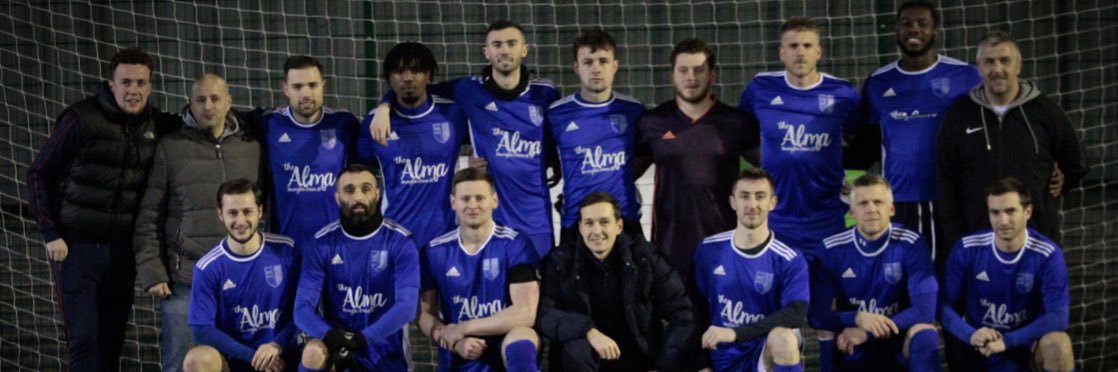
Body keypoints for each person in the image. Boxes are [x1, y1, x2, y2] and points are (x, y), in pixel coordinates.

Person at [26, 47, 176, 371]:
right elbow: (38, 173)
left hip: (121, 253)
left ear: (150, 87)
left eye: (140, 82)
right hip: (75, 250)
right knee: (84, 340)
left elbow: (200, 121)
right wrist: (50, 231)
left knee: (112, 342)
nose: (132, 90)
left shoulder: (157, 125)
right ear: (111, 85)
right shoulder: (80, 118)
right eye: (125, 82)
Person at [370, 20, 561, 257]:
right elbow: (417, 86)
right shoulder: (468, 89)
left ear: (524, 49)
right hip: (490, 220)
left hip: (537, 219)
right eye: (497, 44)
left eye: (511, 43)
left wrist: (554, 160)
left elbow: (557, 135)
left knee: (539, 290)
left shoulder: (546, 92)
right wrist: (384, 104)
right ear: (486, 52)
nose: (504, 50)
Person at [132, 73, 263, 371]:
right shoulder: (171, 147)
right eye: (200, 100)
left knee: (247, 362)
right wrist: (152, 270)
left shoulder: (251, 148)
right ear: (189, 104)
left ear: (228, 102)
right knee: (182, 363)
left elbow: (263, 208)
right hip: (186, 281)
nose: (208, 106)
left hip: (242, 280)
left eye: (215, 99)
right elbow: (149, 214)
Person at [936, 30, 1086, 255]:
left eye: (1005, 60)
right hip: (977, 244)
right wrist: (956, 238)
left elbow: (1076, 163)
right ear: (978, 66)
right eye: (989, 62)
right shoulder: (959, 115)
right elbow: (946, 179)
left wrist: (1058, 182)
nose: (997, 70)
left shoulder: (1046, 112)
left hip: (1036, 242)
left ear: (1018, 65)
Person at [856, 0, 982, 266]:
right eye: (906, 24)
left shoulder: (966, 75)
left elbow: (996, 124)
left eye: (922, 24)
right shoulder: (878, 81)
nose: (914, 29)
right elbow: (864, 144)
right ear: (896, 32)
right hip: (897, 200)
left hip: (948, 198)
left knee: (949, 276)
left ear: (935, 32)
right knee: (898, 278)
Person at [737, 17, 860, 263]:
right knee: (779, 296)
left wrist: (845, 174)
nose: (800, 53)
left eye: (806, 45)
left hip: (827, 218)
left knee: (828, 296)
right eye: (793, 46)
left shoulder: (844, 94)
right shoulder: (760, 88)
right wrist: (765, 165)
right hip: (775, 218)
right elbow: (742, 133)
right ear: (782, 53)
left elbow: (858, 139)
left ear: (819, 51)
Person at [635, 38, 760, 279]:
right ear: (672, 75)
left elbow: (770, 170)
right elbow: (625, 175)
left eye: (698, 70)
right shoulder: (652, 122)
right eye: (683, 70)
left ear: (712, 75)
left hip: (727, 245)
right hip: (670, 248)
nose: (690, 77)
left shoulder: (735, 122)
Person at [536, 192, 696, 371]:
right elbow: (544, 313)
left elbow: (683, 313)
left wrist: (665, 365)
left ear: (619, 226)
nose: (596, 231)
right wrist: (587, 331)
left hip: (640, 358)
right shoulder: (560, 262)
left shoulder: (646, 257)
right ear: (581, 228)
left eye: (604, 222)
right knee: (575, 348)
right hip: (587, 360)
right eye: (589, 223)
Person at [940, 178, 1075, 371]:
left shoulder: (1048, 254)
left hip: (1027, 346)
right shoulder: (967, 248)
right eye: (995, 212)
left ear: (1027, 212)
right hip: (981, 346)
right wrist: (970, 334)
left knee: (1059, 344)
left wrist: (1009, 340)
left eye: (1010, 211)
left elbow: (1059, 316)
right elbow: (945, 306)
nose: (1002, 220)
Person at [294, 164, 420, 370]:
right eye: (349, 190)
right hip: (338, 351)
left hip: (385, 351)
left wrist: (361, 340)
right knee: (312, 352)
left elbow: (407, 307)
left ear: (378, 194)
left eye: (366, 188)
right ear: (337, 198)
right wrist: (332, 337)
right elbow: (301, 309)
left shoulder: (401, 241)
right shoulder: (321, 243)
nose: (358, 196)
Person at [809, 175, 939, 371]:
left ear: (892, 208)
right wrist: (858, 318)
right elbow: (817, 315)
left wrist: (868, 330)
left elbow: (925, 311)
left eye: (878, 202)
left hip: (896, 342)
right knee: (826, 328)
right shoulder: (831, 248)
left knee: (926, 333)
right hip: (852, 345)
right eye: (863, 203)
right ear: (852, 211)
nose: (871, 209)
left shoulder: (912, 243)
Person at [418, 168, 542, 372]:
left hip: (505, 340)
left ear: (494, 200)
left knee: (523, 336)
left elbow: (525, 313)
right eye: (465, 199)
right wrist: (454, 341)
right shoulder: (434, 251)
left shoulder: (516, 244)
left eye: (480, 198)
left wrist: (464, 327)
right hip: (462, 347)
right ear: (453, 202)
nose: (472, 205)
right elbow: (425, 314)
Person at [693, 168, 808, 372]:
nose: (752, 205)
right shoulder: (708, 250)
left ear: (772, 203)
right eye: (744, 196)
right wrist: (701, 364)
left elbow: (796, 314)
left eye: (760, 196)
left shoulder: (789, 258)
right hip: (721, 355)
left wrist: (736, 333)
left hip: (763, 352)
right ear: (733, 202)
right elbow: (695, 310)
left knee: (784, 338)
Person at [355, 41, 468, 247]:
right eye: (399, 71)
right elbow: (360, 166)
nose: (407, 77)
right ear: (389, 78)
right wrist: (384, 105)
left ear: (429, 76)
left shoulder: (453, 114)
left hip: (445, 238)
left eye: (416, 70)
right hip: (394, 240)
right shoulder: (373, 124)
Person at [182, 179, 300, 372]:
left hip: (281, 357)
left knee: (321, 352)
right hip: (237, 360)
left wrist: (276, 346)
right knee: (197, 359)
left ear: (260, 211)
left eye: (247, 211)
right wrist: (252, 356)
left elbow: (302, 311)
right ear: (220, 214)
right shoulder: (208, 267)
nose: (240, 221)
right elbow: (202, 330)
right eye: (232, 213)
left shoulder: (286, 251)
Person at [547, 30, 644, 242]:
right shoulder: (556, 113)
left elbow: (647, 154)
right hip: (576, 221)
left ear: (615, 66)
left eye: (603, 61)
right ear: (576, 67)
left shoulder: (634, 110)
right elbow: (540, 153)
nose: (596, 69)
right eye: (588, 62)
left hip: (624, 220)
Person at [258, 55, 359, 252]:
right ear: (285, 89)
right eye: (297, 87)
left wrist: (385, 107)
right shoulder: (268, 124)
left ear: (323, 86)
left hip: (335, 247)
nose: (306, 93)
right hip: (285, 247)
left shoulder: (344, 124)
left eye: (312, 85)